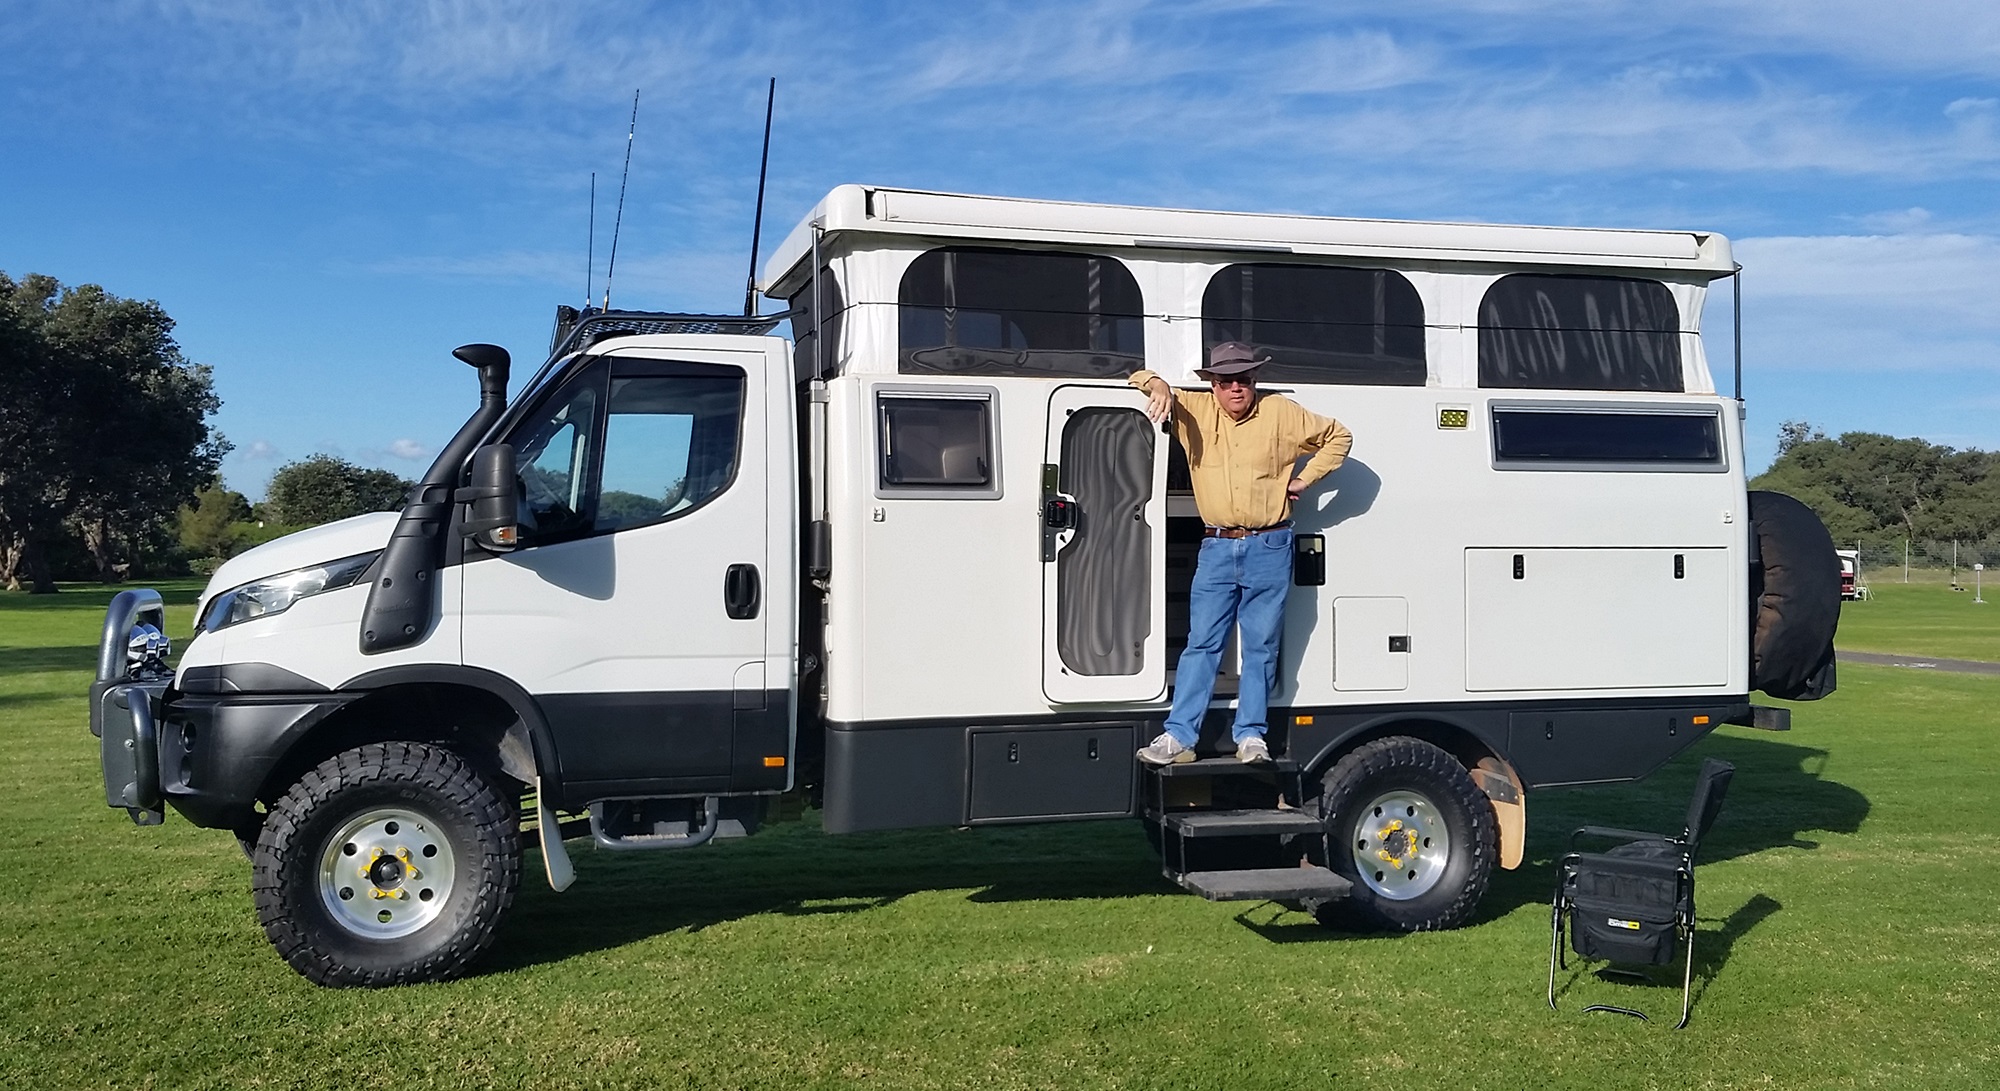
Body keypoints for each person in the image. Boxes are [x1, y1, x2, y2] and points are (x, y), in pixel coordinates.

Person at [1132, 342, 1352, 765]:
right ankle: (1179, 737)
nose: (1236, 388)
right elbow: (1134, 374)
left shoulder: (1281, 412)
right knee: (1202, 644)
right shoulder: (1192, 407)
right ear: (1212, 385)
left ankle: (1251, 736)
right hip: (1215, 544)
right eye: (1225, 381)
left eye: (1244, 380)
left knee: (1261, 645)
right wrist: (1156, 382)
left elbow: (1339, 435)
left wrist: (1306, 479)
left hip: (1270, 542)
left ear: (1255, 381)